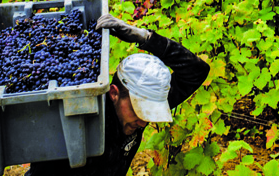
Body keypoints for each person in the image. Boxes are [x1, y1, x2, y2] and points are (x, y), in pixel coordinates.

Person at [25, 14, 210, 176]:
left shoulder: (140, 109)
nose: (144, 121)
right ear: (114, 93)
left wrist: (146, 37)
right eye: (139, 110)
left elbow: (196, 70)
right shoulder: (80, 120)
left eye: (149, 112)